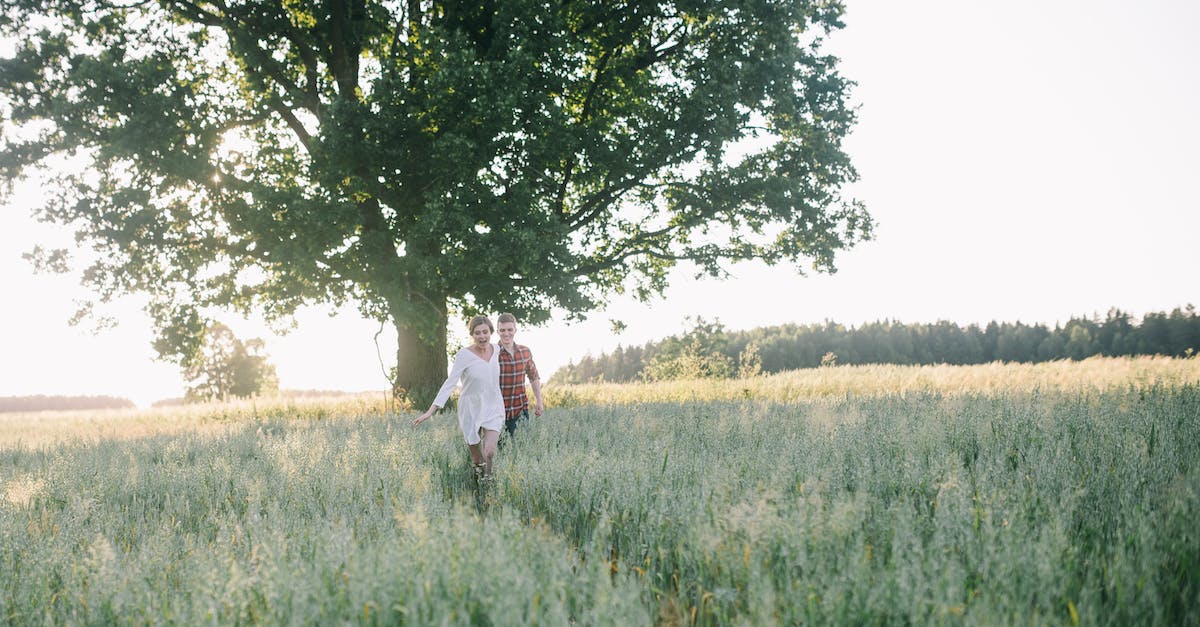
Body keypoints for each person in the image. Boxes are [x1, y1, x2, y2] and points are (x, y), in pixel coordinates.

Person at [413, 315, 505, 479]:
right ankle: (479, 484)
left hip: (493, 404)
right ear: (472, 335)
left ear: (491, 332)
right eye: (477, 333)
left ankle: (489, 481)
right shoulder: (464, 355)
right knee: (477, 458)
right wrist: (431, 410)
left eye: (485, 332)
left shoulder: (496, 350)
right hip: (470, 407)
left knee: (490, 452)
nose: (482, 336)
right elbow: (450, 382)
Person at [496, 312, 544, 438]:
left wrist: (539, 400)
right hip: (497, 413)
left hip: (520, 410)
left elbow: (533, 377)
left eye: (510, 329)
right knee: (499, 452)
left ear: (515, 330)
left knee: (521, 449)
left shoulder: (525, 351)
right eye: (502, 330)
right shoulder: (491, 353)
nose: (506, 333)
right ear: (497, 331)